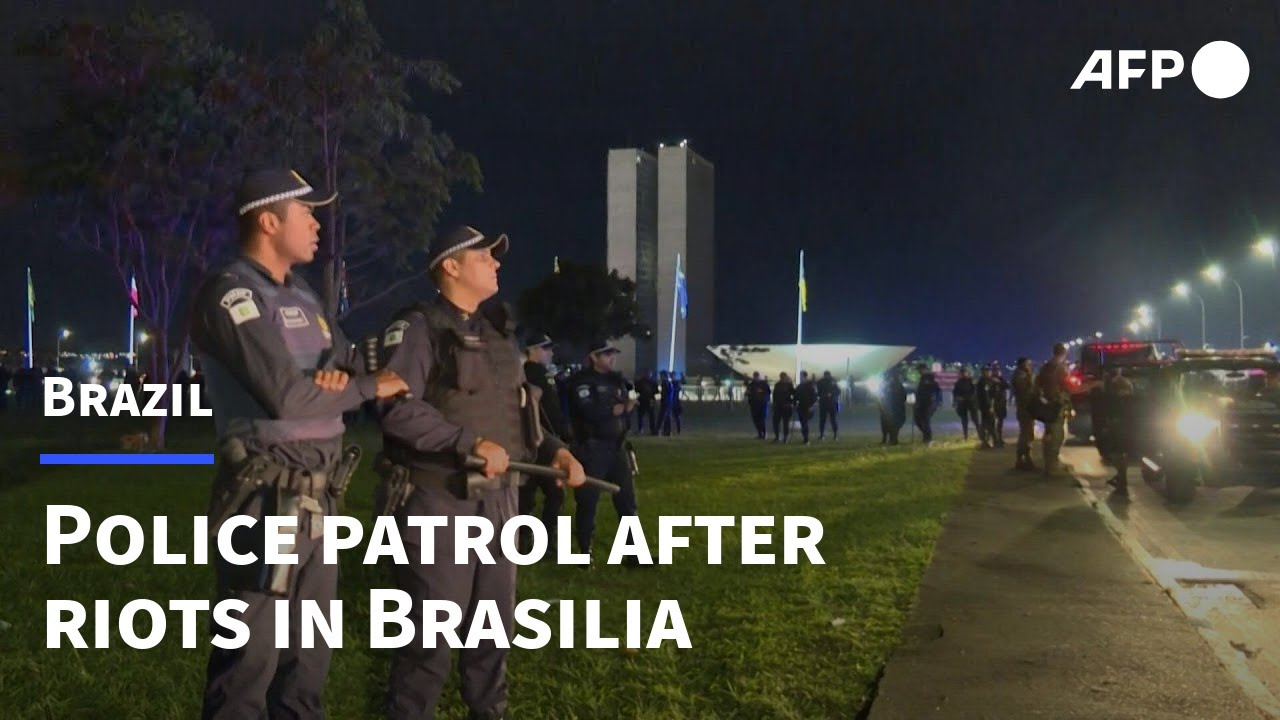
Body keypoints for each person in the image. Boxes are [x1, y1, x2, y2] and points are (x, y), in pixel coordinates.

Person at [192, 169, 408, 719]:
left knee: (307, 662)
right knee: (249, 660)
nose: (317, 224)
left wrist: (343, 379)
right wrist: (365, 388)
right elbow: (288, 398)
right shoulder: (232, 295)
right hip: (265, 500)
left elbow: (347, 360)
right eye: (307, 212)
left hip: (321, 501)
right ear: (269, 221)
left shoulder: (304, 295)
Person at [375, 225, 585, 720]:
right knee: (430, 639)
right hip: (439, 499)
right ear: (451, 267)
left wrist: (556, 452)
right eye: (484, 256)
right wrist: (468, 444)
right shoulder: (418, 328)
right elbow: (397, 409)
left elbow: (521, 414)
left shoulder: (499, 337)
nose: (496, 263)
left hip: (500, 501)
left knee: (493, 631)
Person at [567, 341, 640, 564]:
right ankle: (584, 553)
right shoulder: (582, 381)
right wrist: (616, 409)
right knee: (588, 501)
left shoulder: (616, 380)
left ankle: (634, 553)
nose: (612, 358)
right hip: (592, 447)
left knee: (627, 500)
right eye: (607, 355)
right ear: (594, 357)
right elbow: (588, 411)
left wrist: (625, 409)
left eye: (613, 354)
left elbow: (625, 407)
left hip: (616, 446)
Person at [519, 331, 570, 551]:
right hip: (541, 441)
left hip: (531, 440)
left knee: (528, 492)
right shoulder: (536, 374)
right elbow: (549, 409)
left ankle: (526, 539)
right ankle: (544, 540)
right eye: (545, 348)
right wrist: (563, 434)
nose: (550, 353)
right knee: (552, 492)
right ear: (532, 350)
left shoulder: (524, 372)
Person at [1094, 366, 1135, 496]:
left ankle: (1122, 479)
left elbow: (1108, 405)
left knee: (1116, 453)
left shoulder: (1111, 385)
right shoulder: (1125, 384)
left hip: (1116, 423)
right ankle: (1121, 477)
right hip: (1124, 423)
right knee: (1120, 452)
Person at [1036, 342, 1073, 477]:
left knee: (1049, 434)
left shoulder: (1045, 367)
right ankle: (1052, 468)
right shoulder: (1060, 368)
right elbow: (1067, 387)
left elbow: (1038, 384)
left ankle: (1050, 464)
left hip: (1048, 406)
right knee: (1056, 436)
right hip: (1057, 406)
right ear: (1063, 353)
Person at [1011, 357, 1037, 471]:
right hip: (1025, 410)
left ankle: (1024, 459)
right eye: (1028, 364)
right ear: (1022, 365)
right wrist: (1030, 377)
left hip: (1026, 409)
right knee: (1026, 435)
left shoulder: (1021, 375)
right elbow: (1025, 392)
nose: (1030, 366)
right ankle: (1024, 460)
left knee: (1026, 434)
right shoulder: (1021, 376)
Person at [878, 368, 908, 445]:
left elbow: (902, 397)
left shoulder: (895, 386)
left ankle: (892, 439)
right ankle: (889, 439)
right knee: (888, 424)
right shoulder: (889, 385)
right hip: (890, 408)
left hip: (894, 408)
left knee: (892, 424)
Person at [914, 364, 942, 445]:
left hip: (929, 402)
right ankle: (926, 435)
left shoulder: (929, 377)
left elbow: (937, 389)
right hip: (921, 403)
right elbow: (920, 392)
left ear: (925, 369)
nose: (919, 371)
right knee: (917, 419)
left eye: (921, 369)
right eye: (919, 370)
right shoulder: (921, 379)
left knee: (925, 420)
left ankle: (928, 438)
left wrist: (937, 401)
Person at [952, 367, 979, 441]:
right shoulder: (958, 383)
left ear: (967, 373)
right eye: (962, 373)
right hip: (962, 403)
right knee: (964, 420)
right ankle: (965, 436)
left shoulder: (971, 381)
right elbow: (955, 393)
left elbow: (976, 391)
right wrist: (956, 400)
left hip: (971, 402)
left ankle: (980, 434)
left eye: (965, 372)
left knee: (975, 419)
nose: (963, 374)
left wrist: (973, 398)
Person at [974, 366, 997, 449]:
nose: (989, 372)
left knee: (988, 423)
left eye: (989, 371)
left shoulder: (988, 380)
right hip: (985, 406)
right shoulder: (983, 381)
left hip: (985, 406)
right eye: (987, 371)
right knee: (989, 423)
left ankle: (987, 441)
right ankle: (990, 441)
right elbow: (985, 395)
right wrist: (990, 406)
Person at [771, 372, 796, 443]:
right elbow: (774, 395)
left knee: (785, 423)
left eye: (783, 377)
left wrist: (792, 402)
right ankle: (777, 436)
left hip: (786, 406)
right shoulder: (777, 384)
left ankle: (785, 437)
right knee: (776, 422)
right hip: (778, 406)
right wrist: (774, 404)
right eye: (781, 377)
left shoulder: (789, 385)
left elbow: (794, 394)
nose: (782, 378)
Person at [795, 370, 818, 444]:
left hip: (807, 407)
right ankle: (805, 437)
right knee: (803, 423)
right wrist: (795, 402)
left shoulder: (810, 386)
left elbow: (814, 397)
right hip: (801, 407)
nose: (800, 377)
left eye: (801, 376)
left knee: (804, 422)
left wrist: (812, 406)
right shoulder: (799, 386)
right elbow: (796, 396)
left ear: (804, 376)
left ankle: (806, 438)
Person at [816, 370, 841, 440]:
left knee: (823, 420)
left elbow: (818, 392)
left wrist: (823, 395)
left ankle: (822, 435)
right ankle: (835, 435)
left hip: (824, 403)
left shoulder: (820, 382)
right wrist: (832, 394)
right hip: (832, 403)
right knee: (833, 419)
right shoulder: (833, 381)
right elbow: (838, 391)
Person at [745, 371, 770, 439]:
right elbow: (747, 392)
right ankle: (760, 433)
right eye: (755, 376)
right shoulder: (751, 384)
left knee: (761, 419)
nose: (755, 378)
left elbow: (767, 392)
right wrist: (748, 393)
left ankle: (764, 433)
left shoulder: (763, 384)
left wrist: (762, 394)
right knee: (755, 420)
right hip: (754, 404)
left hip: (762, 404)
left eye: (756, 376)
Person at [633, 370, 657, 435]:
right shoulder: (652, 382)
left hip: (645, 400)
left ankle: (643, 429)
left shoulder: (641, 381)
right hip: (646, 400)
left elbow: (636, 390)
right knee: (648, 416)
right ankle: (650, 429)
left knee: (644, 416)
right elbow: (656, 391)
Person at [991, 364, 1010, 448]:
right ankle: (994, 440)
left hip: (1002, 404)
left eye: (998, 370)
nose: (997, 372)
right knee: (992, 423)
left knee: (1000, 423)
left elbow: (1007, 386)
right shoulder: (990, 380)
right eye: (995, 370)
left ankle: (1000, 438)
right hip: (994, 404)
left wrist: (1000, 381)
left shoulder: (1001, 379)